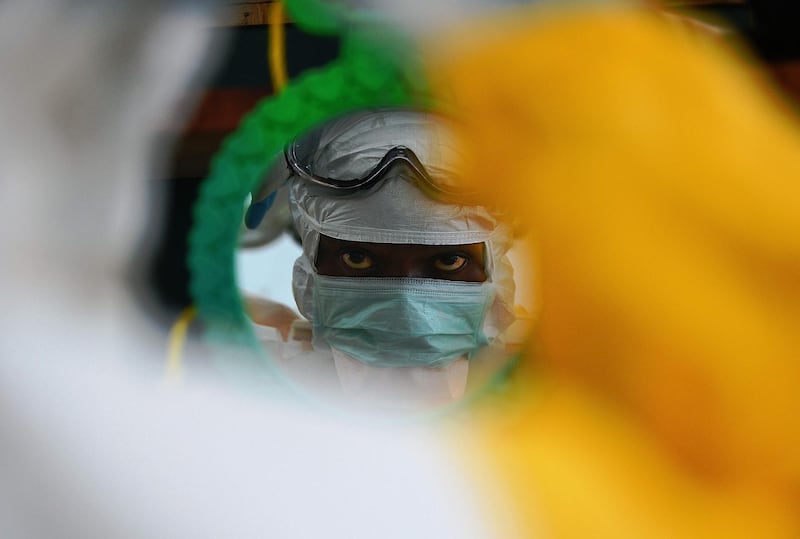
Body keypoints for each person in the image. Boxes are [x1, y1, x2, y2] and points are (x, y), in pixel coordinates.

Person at [246, 108, 519, 409]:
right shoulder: (239, 392)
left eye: (449, 261)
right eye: (357, 258)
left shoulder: (562, 401)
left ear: (495, 267)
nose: (405, 305)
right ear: (310, 266)